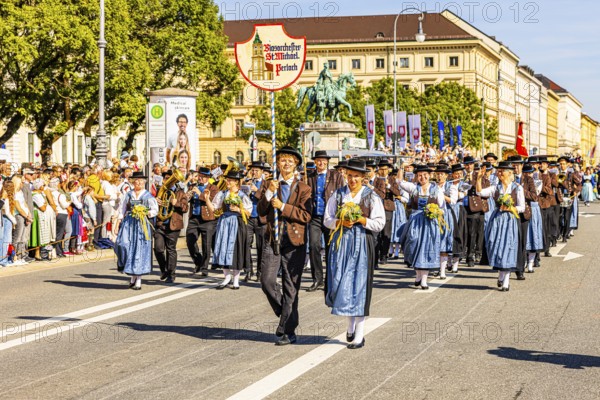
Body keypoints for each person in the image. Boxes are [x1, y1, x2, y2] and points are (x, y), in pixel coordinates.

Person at [324, 159, 385, 349]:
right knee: (342, 282)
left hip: (362, 244)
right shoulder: (338, 195)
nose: (352, 180)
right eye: (349, 176)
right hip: (341, 243)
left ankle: (359, 333)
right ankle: (349, 326)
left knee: (359, 286)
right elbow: (327, 219)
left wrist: (361, 219)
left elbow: (379, 223)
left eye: (356, 176)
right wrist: (340, 223)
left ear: (363, 177)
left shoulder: (371, 197)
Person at [257, 146, 312, 346]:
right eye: (282, 160)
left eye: (290, 160)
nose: (286, 163)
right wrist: (269, 193)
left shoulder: (304, 188)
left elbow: (305, 215)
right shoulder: (270, 184)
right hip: (273, 238)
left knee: (291, 286)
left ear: (296, 164)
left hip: (294, 241)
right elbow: (261, 211)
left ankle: (288, 330)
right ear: (278, 163)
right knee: (267, 280)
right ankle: (286, 312)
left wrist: (283, 207)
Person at [476, 161, 525, 292]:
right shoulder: (495, 187)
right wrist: (479, 178)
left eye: (501, 171)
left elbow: (522, 207)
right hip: (497, 220)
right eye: (498, 171)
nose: (499, 173)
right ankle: (501, 274)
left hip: (510, 220)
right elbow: (480, 192)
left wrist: (511, 208)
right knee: (495, 245)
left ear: (509, 173)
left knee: (508, 247)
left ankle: (506, 281)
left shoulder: (517, 188)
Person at [399, 165, 445, 290]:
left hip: (430, 223)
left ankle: (424, 280)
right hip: (415, 222)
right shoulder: (414, 188)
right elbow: (400, 182)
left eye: (425, 175)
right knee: (414, 245)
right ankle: (418, 275)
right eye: (419, 175)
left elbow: (441, 206)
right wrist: (400, 168)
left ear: (430, 176)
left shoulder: (437, 189)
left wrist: (434, 212)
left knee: (426, 248)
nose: (422, 177)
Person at [205, 170, 252, 289]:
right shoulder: (222, 194)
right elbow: (214, 210)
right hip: (224, 223)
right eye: (227, 180)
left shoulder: (242, 195)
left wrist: (238, 210)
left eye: (230, 180)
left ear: (236, 182)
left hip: (237, 223)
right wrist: (207, 199)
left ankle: (236, 279)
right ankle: (226, 277)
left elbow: (249, 212)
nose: (227, 182)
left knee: (236, 249)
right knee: (223, 248)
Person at [306, 150, 344, 292]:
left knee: (330, 249)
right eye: (318, 161)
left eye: (323, 160)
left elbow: (342, 194)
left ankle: (330, 280)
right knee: (313, 246)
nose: (320, 163)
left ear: (327, 162)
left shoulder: (336, 175)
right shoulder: (310, 177)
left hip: (330, 217)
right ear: (315, 162)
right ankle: (317, 279)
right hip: (315, 216)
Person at [114, 171, 158, 290]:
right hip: (129, 224)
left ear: (144, 182)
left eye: (140, 181)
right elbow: (122, 208)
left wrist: (145, 212)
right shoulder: (128, 195)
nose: (138, 182)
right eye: (136, 180)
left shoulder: (147, 195)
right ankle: (131, 273)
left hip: (141, 225)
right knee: (124, 245)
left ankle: (137, 279)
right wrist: (118, 222)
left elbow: (154, 210)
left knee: (139, 250)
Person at [154, 169, 189, 283]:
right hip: (161, 223)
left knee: (170, 249)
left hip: (173, 224)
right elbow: (152, 207)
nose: (167, 180)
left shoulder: (180, 193)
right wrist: (155, 202)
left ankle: (171, 274)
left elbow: (185, 208)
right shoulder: (160, 191)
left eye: (170, 178)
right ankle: (164, 269)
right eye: (166, 178)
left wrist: (176, 203)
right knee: (158, 249)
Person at [186, 167, 219, 275]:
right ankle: (198, 261)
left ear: (208, 178)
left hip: (208, 219)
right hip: (194, 218)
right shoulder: (192, 186)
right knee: (190, 241)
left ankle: (204, 268)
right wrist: (186, 197)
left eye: (203, 177)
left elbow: (211, 202)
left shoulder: (213, 188)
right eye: (199, 176)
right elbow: (185, 200)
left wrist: (199, 193)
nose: (200, 178)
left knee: (206, 244)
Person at [373, 159, 401, 267]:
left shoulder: (391, 179)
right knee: (377, 233)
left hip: (388, 208)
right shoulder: (375, 180)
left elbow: (398, 193)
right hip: (376, 208)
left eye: (385, 169)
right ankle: (376, 255)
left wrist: (389, 186)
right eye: (381, 169)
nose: (383, 171)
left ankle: (384, 255)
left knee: (386, 233)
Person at [245, 161, 268, 282]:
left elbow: (267, 199)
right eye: (252, 170)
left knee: (261, 247)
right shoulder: (247, 183)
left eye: (257, 171)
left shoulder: (266, 184)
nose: (254, 173)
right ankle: (248, 271)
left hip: (261, 219)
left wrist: (256, 191)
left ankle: (260, 272)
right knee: (246, 244)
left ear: (262, 172)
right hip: (248, 217)